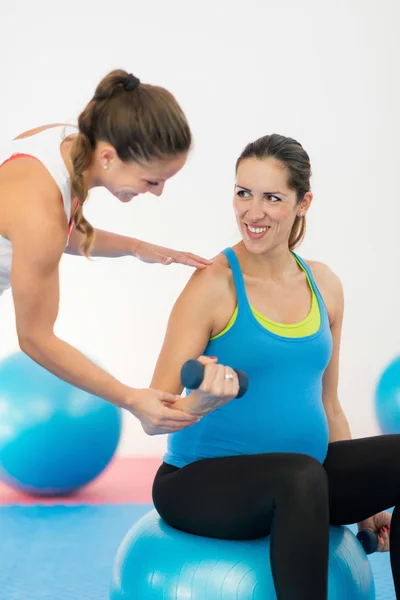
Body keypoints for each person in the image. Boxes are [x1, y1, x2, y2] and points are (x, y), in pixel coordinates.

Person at [151, 133, 400, 599]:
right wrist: (200, 401)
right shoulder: (212, 285)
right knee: (300, 477)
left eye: (272, 197)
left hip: (304, 480)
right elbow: (153, 410)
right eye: (243, 193)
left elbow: (329, 402)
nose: (253, 211)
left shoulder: (323, 283)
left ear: (303, 202)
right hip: (197, 483)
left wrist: (364, 498)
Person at [0, 69, 212, 436]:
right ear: (110, 156)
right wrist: (131, 398)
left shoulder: (68, 143)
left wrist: (135, 248)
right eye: (152, 180)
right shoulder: (41, 213)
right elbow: (35, 338)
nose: (158, 192)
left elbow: (53, 233)